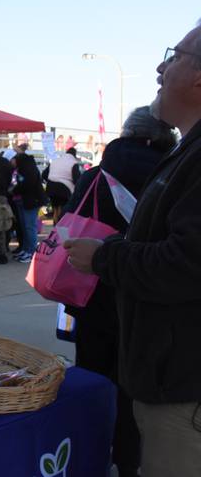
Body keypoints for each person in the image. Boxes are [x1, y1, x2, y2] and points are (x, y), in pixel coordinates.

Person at [65, 24, 201, 477]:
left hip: (182, 389)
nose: (161, 68)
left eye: (174, 56)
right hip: (163, 376)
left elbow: (186, 265)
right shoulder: (186, 152)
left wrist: (104, 256)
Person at [62, 106, 176, 477]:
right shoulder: (173, 173)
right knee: (132, 388)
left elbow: (67, 225)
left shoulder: (96, 175)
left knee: (92, 377)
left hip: (91, 292)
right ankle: (128, 461)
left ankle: (87, 455)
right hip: (147, 295)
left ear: (127, 133)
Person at [9, 151, 46, 263]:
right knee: (25, 226)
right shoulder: (23, 169)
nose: (11, 162)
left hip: (30, 201)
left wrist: (14, 190)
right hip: (23, 201)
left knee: (30, 227)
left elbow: (26, 185)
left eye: (13, 159)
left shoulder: (28, 170)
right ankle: (26, 249)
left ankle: (31, 252)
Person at [43, 147, 81, 223]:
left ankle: (55, 227)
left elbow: (44, 174)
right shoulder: (73, 162)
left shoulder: (55, 161)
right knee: (63, 211)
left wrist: (53, 179)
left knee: (55, 210)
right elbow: (76, 179)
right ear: (74, 155)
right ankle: (60, 228)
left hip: (51, 187)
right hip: (64, 189)